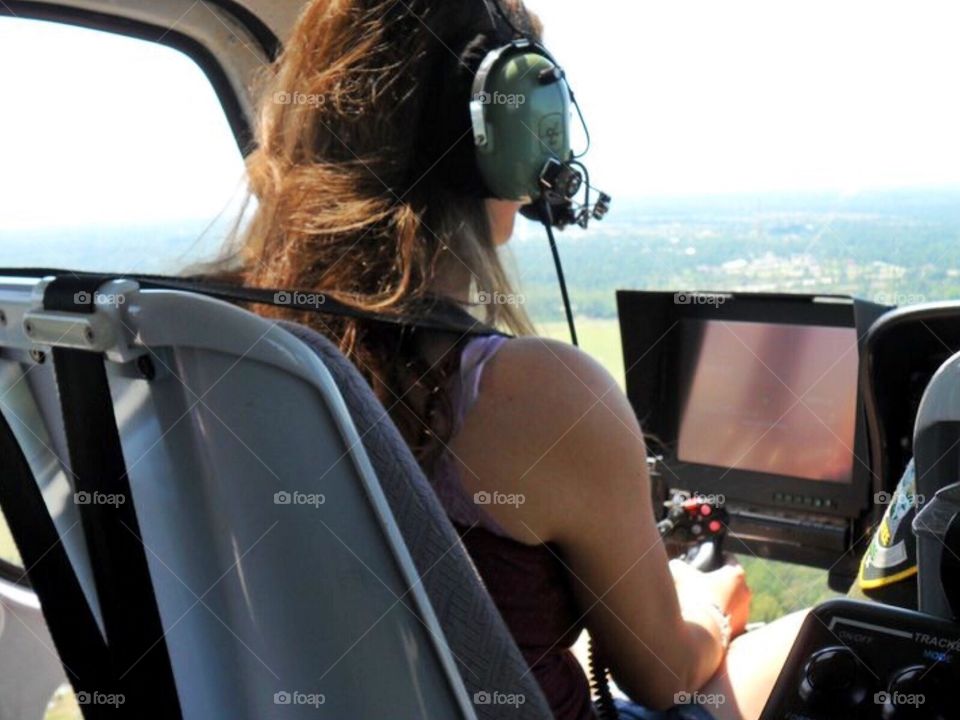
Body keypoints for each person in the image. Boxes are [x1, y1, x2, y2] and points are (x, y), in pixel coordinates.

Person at [207, 1, 807, 717]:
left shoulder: (210, 343)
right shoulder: (533, 392)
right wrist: (709, 604)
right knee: (823, 638)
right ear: (514, 126)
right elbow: (665, 675)